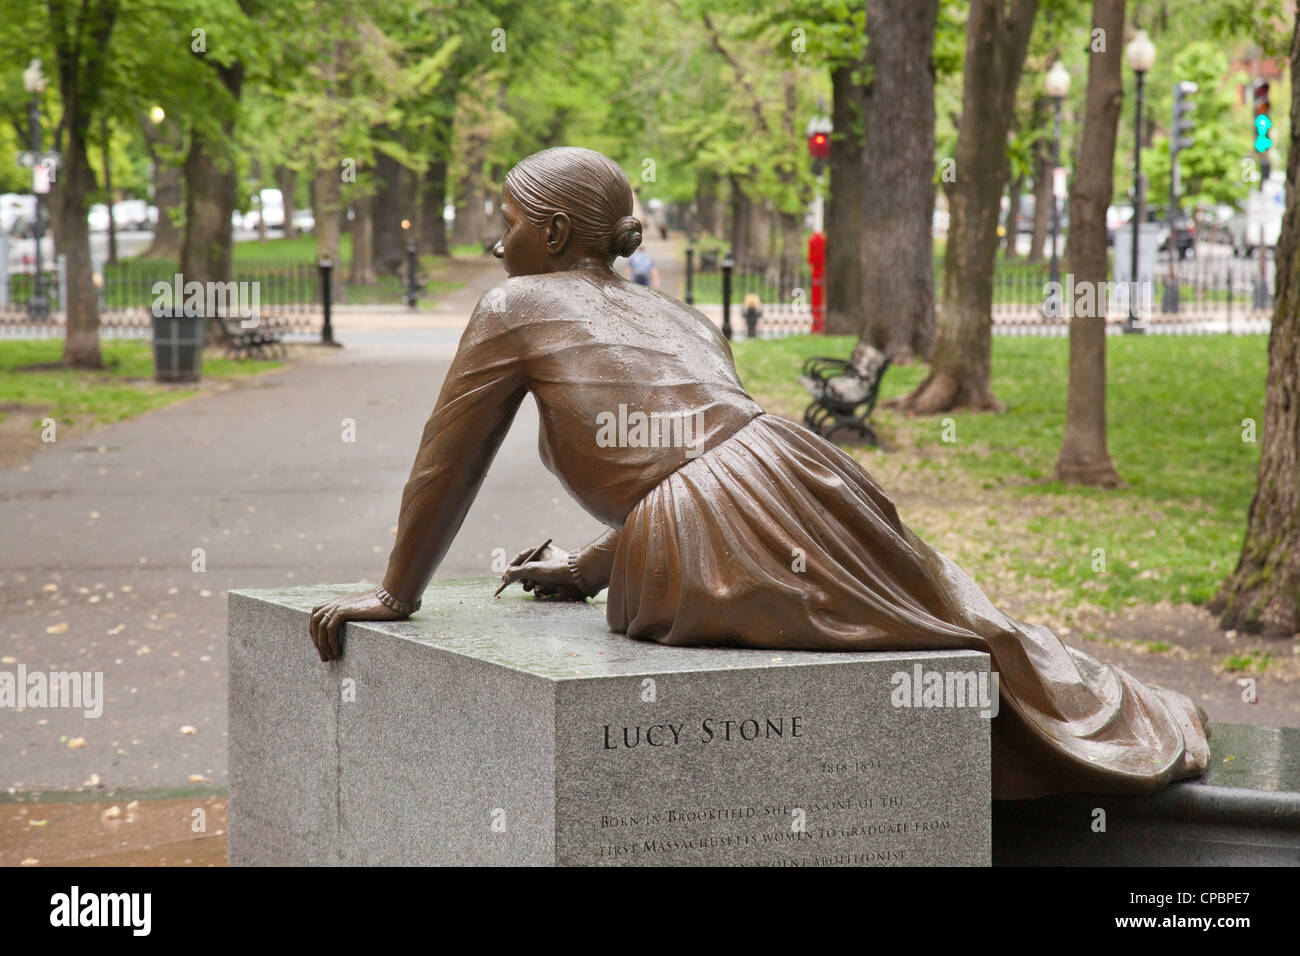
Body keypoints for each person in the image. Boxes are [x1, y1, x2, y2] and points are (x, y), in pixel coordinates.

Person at [309, 146, 1209, 800]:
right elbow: (699, 462)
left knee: (938, 635)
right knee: (955, 617)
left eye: (507, 221)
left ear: (548, 229)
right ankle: (1099, 716)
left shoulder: (513, 304)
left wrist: (397, 593)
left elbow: (447, 462)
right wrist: (589, 569)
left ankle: (1052, 750)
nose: (498, 241)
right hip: (810, 471)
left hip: (721, 524)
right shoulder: (685, 318)